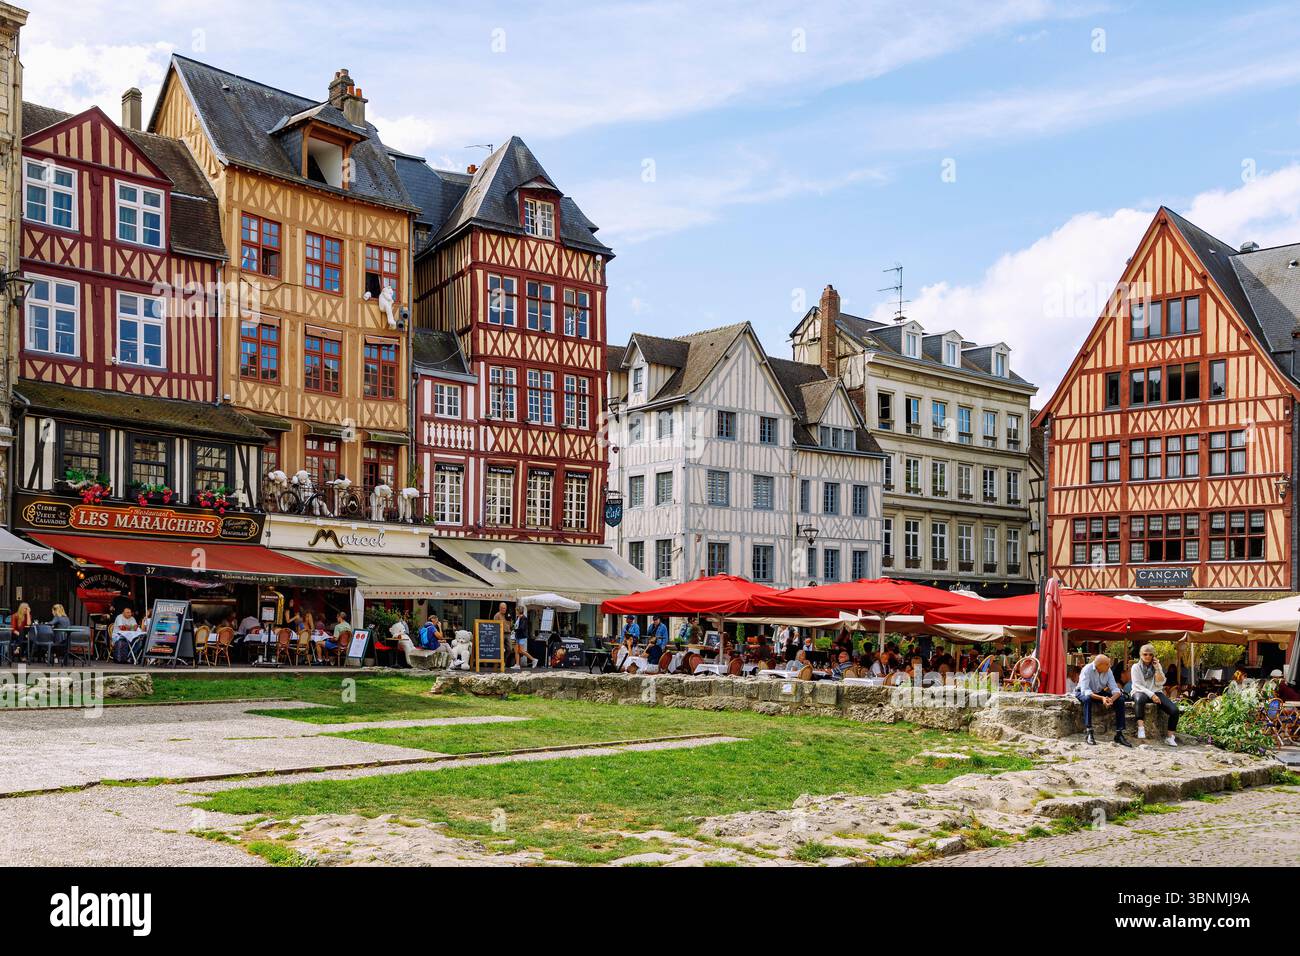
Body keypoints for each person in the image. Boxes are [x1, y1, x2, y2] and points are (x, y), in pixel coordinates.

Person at [1075, 654, 1131, 747]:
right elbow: (1086, 691)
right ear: (1100, 665)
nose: (1110, 666)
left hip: (1098, 692)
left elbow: (1115, 689)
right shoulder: (1087, 669)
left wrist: (1111, 699)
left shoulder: (1108, 671)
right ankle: (1089, 732)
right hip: (1082, 691)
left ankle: (1119, 733)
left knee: (1120, 700)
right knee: (1087, 699)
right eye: (1108, 664)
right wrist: (1102, 698)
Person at [1130, 644, 1180, 747]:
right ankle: (1141, 727)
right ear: (1140, 655)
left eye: (1150, 654)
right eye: (1145, 654)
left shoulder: (1157, 665)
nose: (1147, 656)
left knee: (1174, 711)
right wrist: (1151, 695)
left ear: (1153, 655)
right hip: (1140, 690)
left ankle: (1170, 737)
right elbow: (1137, 684)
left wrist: (1157, 669)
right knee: (1139, 700)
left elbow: (1160, 683)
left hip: (1156, 691)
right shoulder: (1135, 667)